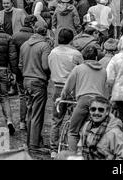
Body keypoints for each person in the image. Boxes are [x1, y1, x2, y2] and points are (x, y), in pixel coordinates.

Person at [58, 45, 107, 153]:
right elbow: (105, 90)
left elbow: (68, 87)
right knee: (97, 133)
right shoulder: (103, 71)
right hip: (99, 103)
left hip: (83, 101)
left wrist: (62, 97)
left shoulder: (78, 69)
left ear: (83, 57)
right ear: (96, 58)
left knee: (73, 131)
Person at [48, 28, 84, 158]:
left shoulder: (53, 52)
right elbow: (82, 69)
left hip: (57, 87)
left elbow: (50, 67)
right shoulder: (76, 54)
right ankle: (73, 147)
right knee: (76, 120)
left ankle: (53, 149)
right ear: (71, 39)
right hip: (73, 89)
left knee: (56, 119)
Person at [19, 21, 52, 151]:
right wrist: (49, 73)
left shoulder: (25, 45)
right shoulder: (44, 46)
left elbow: (20, 65)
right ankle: (34, 143)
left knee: (30, 112)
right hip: (38, 81)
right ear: (45, 31)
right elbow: (45, 66)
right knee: (37, 113)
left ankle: (31, 141)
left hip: (26, 80)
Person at [76, 96, 123, 160]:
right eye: (93, 109)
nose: (96, 113)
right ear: (89, 110)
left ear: (107, 112)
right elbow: (80, 149)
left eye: (101, 110)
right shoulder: (86, 126)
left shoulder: (115, 132)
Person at [11, 15, 37, 131]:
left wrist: (13, 70)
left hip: (20, 70)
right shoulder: (35, 37)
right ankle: (31, 121)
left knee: (22, 96)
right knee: (33, 97)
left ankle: (22, 122)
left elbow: (12, 56)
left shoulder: (15, 36)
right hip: (33, 70)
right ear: (32, 24)